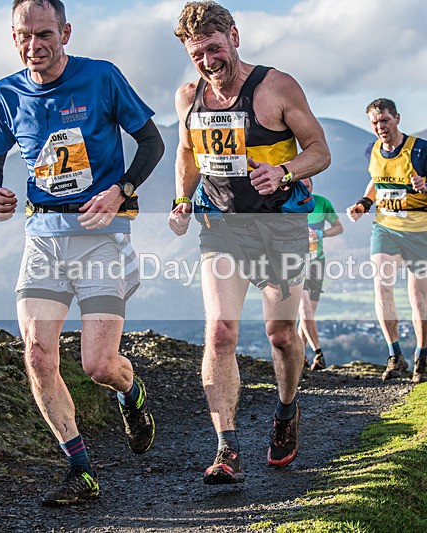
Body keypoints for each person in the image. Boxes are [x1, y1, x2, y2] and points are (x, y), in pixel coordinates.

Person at [0, 0, 164, 506]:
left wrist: (121, 190)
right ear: (14, 37)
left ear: (65, 32)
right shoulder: (6, 93)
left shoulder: (101, 77)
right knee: (38, 356)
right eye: (23, 35)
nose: (33, 45)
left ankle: (132, 393)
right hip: (42, 234)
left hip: (101, 232)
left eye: (44, 34)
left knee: (99, 365)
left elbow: (151, 142)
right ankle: (79, 468)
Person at [168, 1, 330, 485]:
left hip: (279, 225)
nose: (208, 61)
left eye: (215, 49)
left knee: (281, 334)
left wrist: (283, 171)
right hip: (222, 227)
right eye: (197, 54)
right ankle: (227, 447)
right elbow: (187, 151)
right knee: (220, 333)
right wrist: (181, 200)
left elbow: (319, 150)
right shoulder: (188, 97)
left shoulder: (276, 87)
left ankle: (286, 410)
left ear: (234, 37)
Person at [346, 98, 427, 383]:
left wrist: (426, 185)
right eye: (375, 122)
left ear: (397, 119)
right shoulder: (372, 151)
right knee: (382, 287)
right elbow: (376, 183)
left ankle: (422, 356)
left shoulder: (421, 149)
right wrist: (363, 204)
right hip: (386, 227)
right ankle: (394, 356)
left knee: (417, 297)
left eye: (385, 121)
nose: (380, 127)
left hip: (419, 228)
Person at [297, 178, 343, 370]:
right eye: (302, 187)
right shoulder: (287, 203)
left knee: (308, 317)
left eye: (309, 186)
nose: (306, 190)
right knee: (305, 310)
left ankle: (298, 358)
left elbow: (339, 227)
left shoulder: (322, 203)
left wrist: (320, 235)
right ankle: (318, 353)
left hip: (317, 262)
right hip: (294, 264)